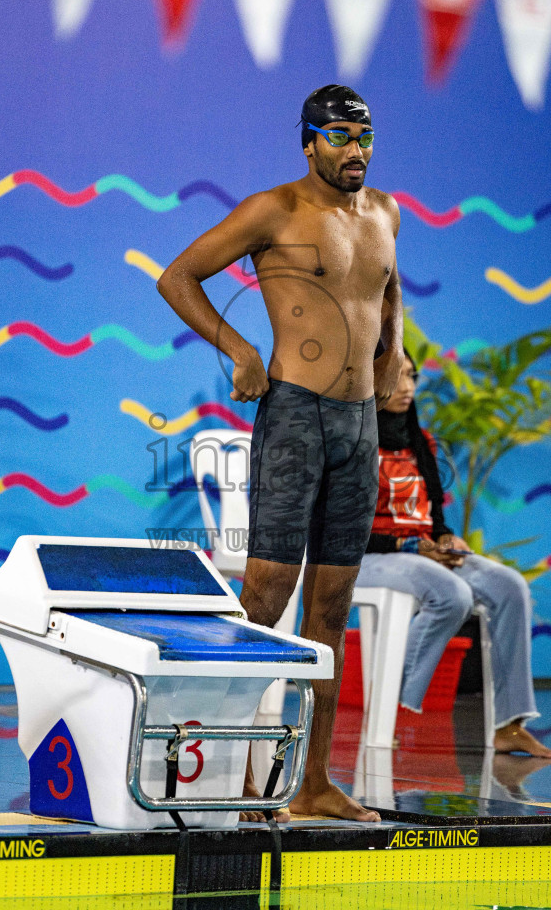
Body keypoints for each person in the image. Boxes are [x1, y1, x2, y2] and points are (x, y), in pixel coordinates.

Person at [157, 85, 403, 821]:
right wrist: (237, 348)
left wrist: (396, 355)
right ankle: (219, 774)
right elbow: (178, 276)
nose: (354, 149)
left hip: (359, 425)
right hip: (295, 415)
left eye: (363, 135)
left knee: (329, 607)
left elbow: (387, 292)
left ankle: (312, 785)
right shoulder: (275, 210)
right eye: (338, 136)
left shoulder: (386, 212)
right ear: (307, 141)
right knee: (264, 597)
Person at [355, 349, 551, 759]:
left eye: (412, 377)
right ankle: (389, 707)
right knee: (452, 592)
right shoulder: (352, 441)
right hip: (368, 556)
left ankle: (508, 724)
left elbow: (435, 518)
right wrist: (411, 547)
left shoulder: (420, 441)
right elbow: (342, 529)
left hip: (422, 553)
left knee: (508, 585)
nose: (408, 388)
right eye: (396, 378)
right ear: (369, 380)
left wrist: (445, 540)